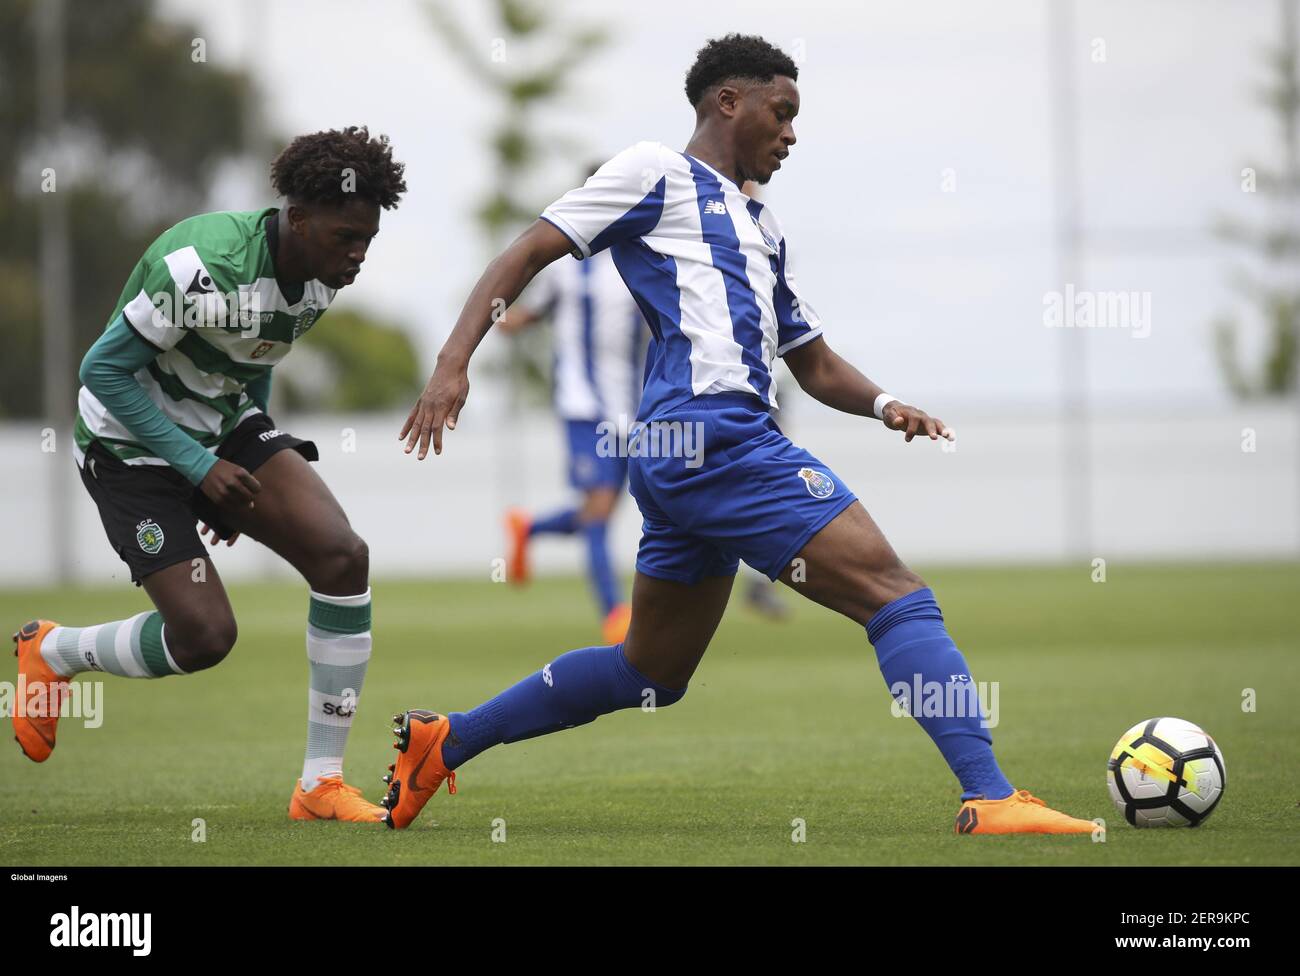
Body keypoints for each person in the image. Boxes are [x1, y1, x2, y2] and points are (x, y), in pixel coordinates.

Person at [386, 35, 1097, 836]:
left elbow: (814, 362)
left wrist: (887, 403)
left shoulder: (762, 226)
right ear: (728, 102)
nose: (792, 134)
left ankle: (444, 743)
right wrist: (454, 362)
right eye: (781, 112)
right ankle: (992, 795)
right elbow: (530, 248)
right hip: (714, 439)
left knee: (650, 672)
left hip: (683, 457)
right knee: (898, 599)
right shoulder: (653, 170)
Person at [12, 126, 405, 823]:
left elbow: (251, 362)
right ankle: (53, 650)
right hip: (126, 448)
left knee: (343, 557)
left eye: (368, 240)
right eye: (348, 237)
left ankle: (319, 786)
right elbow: (102, 370)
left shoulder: (320, 279)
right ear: (299, 218)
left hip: (220, 427)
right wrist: (200, 469)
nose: (358, 256)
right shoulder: (200, 264)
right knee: (203, 640)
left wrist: (240, 473)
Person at [497, 166, 648, 644]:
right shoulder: (565, 265)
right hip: (583, 404)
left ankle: (530, 528)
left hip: (633, 407)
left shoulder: (640, 258)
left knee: (600, 511)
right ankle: (614, 614)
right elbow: (532, 309)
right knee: (600, 511)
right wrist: (503, 319)